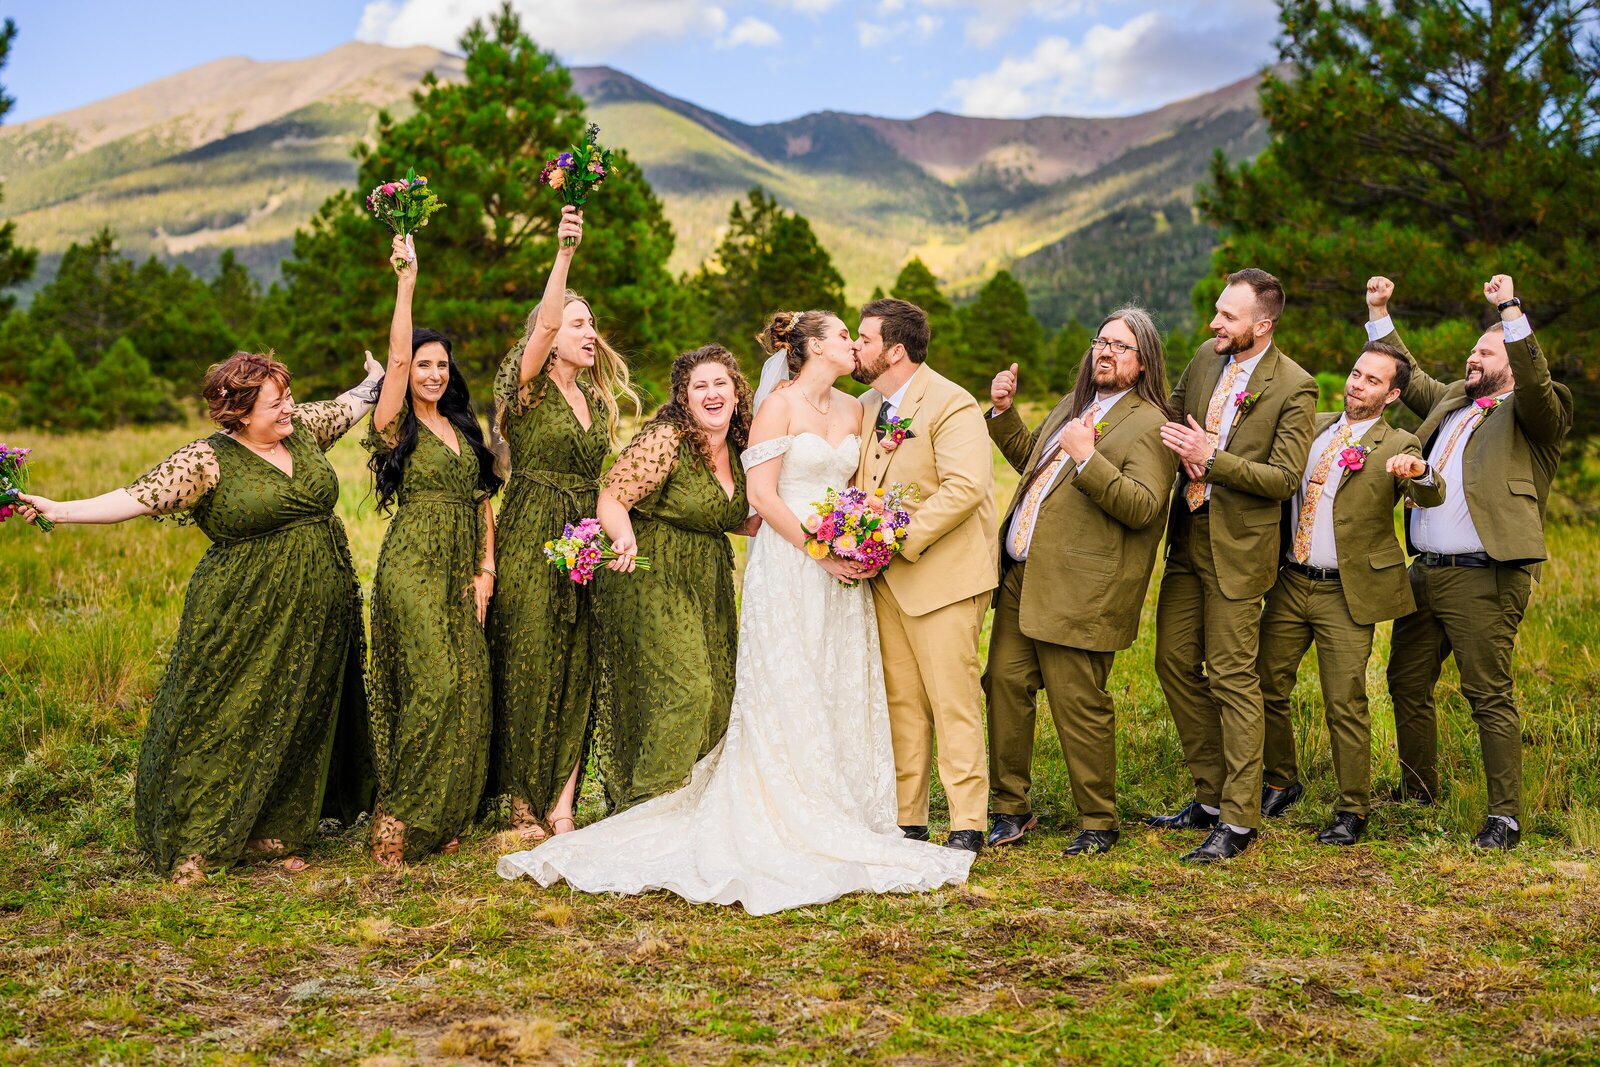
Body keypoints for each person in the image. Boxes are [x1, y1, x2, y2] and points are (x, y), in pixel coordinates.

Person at [497, 313, 971, 914]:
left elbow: (836, 492)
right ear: (815, 347)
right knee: (763, 680)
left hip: (820, 566)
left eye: (721, 384)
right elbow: (762, 495)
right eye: (845, 337)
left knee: (833, 680)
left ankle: (841, 800)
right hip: (792, 564)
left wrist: (862, 535)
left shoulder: (856, 411)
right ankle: (674, 798)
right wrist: (820, 551)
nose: (855, 345)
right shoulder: (767, 410)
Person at [17, 349, 384, 883]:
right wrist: (60, 509)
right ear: (238, 413)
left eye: (288, 398)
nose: (289, 409)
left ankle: (274, 828)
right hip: (242, 613)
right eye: (275, 403)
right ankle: (200, 838)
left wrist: (373, 383)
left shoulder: (300, 427)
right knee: (229, 716)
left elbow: (346, 407)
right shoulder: (205, 460)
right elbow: (136, 499)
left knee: (299, 710)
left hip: (319, 614)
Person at [1366, 274, 1572, 850]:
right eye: (1473, 351)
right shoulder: (1456, 399)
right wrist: (1380, 313)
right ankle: (1418, 792)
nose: (1471, 357)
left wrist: (1509, 311)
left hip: (1487, 574)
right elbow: (1410, 379)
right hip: (1424, 570)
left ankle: (1503, 816)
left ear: (1512, 356)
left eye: (1485, 350)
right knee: (1405, 682)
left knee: (1488, 694)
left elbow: (1535, 380)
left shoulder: (1537, 413)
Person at [983, 307, 1178, 856]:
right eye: (1101, 342)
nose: (1106, 353)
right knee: (1002, 683)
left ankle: (1098, 820)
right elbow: (1035, 465)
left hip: (1081, 588)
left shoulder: (1151, 425)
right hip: (1023, 576)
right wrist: (1003, 414)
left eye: (1120, 346)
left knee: (1077, 703)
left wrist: (1089, 458)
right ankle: (1009, 809)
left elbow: (1142, 507)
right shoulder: (1075, 407)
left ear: (1142, 364)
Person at [1148, 267, 1317, 863]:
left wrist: (1211, 458)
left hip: (1241, 550)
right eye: (1217, 310)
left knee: (1231, 676)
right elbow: (1167, 417)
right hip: (1188, 535)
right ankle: (1212, 796)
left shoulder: (1295, 386)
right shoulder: (1204, 358)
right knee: (1171, 661)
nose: (1213, 323)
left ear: (1262, 325)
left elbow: (1283, 478)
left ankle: (1240, 822)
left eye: (1227, 316)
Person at [487, 206, 639, 840]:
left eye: (593, 323)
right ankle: (522, 803)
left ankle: (563, 806)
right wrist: (564, 254)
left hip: (584, 534)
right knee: (530, 657)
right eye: (579, 323)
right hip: (529, 529)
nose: (590, 331)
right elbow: (546, 318)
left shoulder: (599, 402)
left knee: (580, 659)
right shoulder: (525, 389)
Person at [1255, 339, 1445, 846]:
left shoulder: (1399, 443)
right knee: (1266, 684)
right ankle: (1280, 780)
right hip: (1291, 579)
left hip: (1347, 592)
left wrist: (1420, 473)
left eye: (1372, 380)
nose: (1357, 384)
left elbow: (1430, 491)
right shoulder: (1312, 426)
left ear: (1391, 395)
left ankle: (1352, 809)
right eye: (1356, 373)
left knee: (1345, 700)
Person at [364, 235, 503, 865]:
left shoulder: (463, 427)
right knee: (435, 682)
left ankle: (443, 813)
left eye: (441, 364)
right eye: (424, 364)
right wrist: (406, 281)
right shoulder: (398, 425)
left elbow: (481, 501)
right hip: (413, 563)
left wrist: (486, 570)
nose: (432, 372)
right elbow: (393, 362)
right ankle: (398, 819)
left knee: (469, 685)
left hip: (463, 567)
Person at [851, 297, 997, 853]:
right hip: (884, 583)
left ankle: (967, 823)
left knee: (951, 699)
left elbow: (966, 487)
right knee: (901, 702)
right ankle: (907, 819)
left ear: (895, 350)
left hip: (943, 578)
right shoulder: (867, 404)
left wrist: (895, 539)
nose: (856, 349)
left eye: (864, 340)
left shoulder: (951, 403)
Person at [584, 345, 758, 811]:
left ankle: (695, 802)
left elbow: (727, 516)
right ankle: (650, 806)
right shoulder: (667, 438)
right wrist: (622, 539)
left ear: (737, 393)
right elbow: (613, 496)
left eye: (720, 383)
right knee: (688, 689)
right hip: (653, 573)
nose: (712, 393)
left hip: (708, 578)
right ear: (684, 397)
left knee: (719, 694)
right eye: (699, 386)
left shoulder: (740, 449)